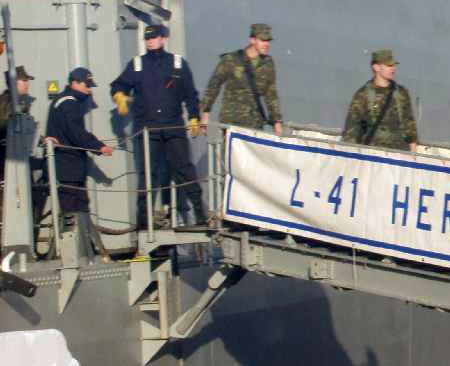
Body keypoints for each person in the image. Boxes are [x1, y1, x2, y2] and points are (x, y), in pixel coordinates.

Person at [111, 24, 205, 226]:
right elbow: (118, 85)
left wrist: (194, 117)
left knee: (184, 169)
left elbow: (191, 95)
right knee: (147, 174)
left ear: (163, 38)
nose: (150, 41)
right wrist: (119, 96)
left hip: (173, 127)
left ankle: (200, 214)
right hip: (148, 129)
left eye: (154, 37)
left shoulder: (178, 64)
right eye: (148, 38)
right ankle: (143, 223)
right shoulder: (137, 64)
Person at [44, 67, 113, 233]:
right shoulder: (68, 103)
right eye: (87, 85)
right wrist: (99, 146)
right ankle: (74, 251)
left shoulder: (64, 101)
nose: (89, 89)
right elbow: (76, 132)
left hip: (71, 168)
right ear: (75, 83)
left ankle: (85, 247)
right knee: (73, 212)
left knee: (80, 209)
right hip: (67, 167)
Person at [200, 23, 283, 135]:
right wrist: (205, 113)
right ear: (252, 40)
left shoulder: (268, 63)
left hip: (255, 124)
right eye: (263, 40)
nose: (266, 44)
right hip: (232, 122)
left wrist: (277, 122)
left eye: (268, 41)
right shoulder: (231, 60)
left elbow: (271, 94)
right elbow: (214, 85)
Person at [342, 49, 418, 151]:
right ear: (376, 67)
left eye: (394, 65)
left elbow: (409, 126)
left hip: (399, 155)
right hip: (372, 156)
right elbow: (352, 130)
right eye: (389, 65)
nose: (393, 69)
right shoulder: (363, 95)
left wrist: (413, 154)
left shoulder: (401, 93)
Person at [0, 65, 33, 168]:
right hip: (7, 158)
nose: (27, 83)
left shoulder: (19, 101)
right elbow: (6, 127)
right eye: (24, 80)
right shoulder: (8, 103)